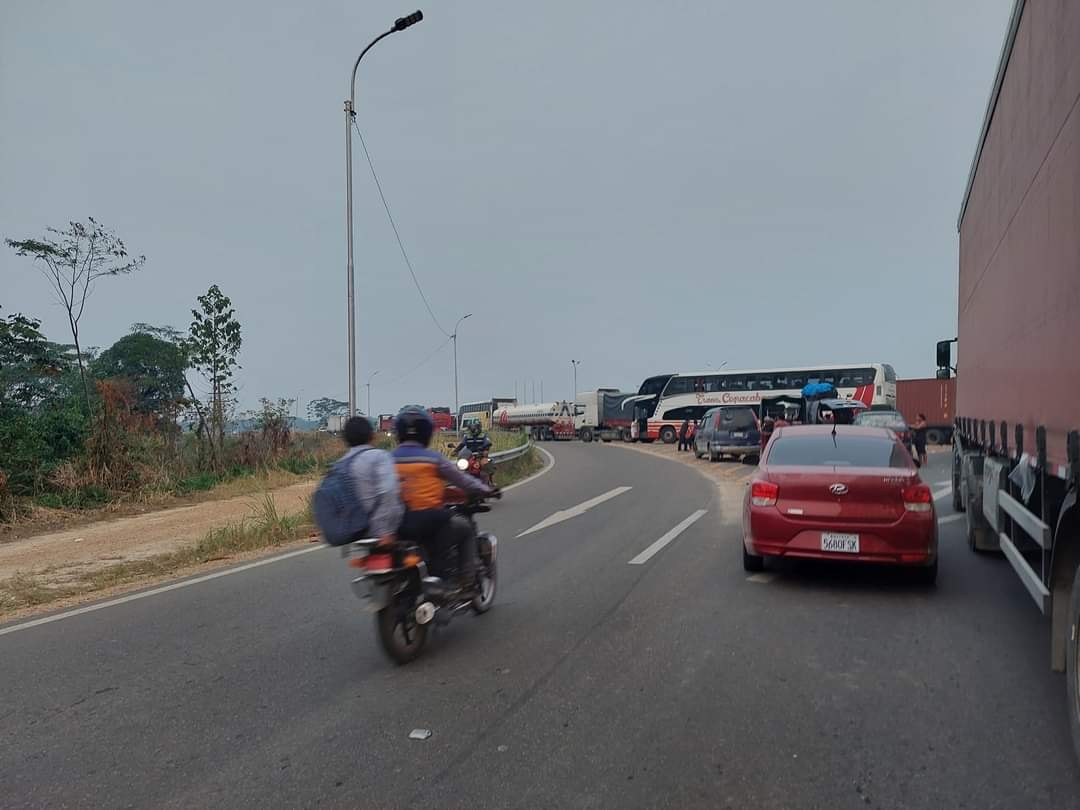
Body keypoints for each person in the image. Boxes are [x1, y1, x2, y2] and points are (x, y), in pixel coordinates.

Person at [392, 406, 494, 591]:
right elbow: (462, 480)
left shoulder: (388, 459)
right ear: (426, 433)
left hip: (398, 523)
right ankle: (466, 581)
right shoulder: (433, 458)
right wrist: (485, 490)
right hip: (430, 520)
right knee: (465, 530)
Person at [333, 415, 403, 545]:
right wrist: (385, 530)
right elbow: (388, 491)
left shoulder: (339, 465)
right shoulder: (380, 457)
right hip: (385, 529)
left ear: (346, 439)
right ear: (372, 436)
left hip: (353, 531)